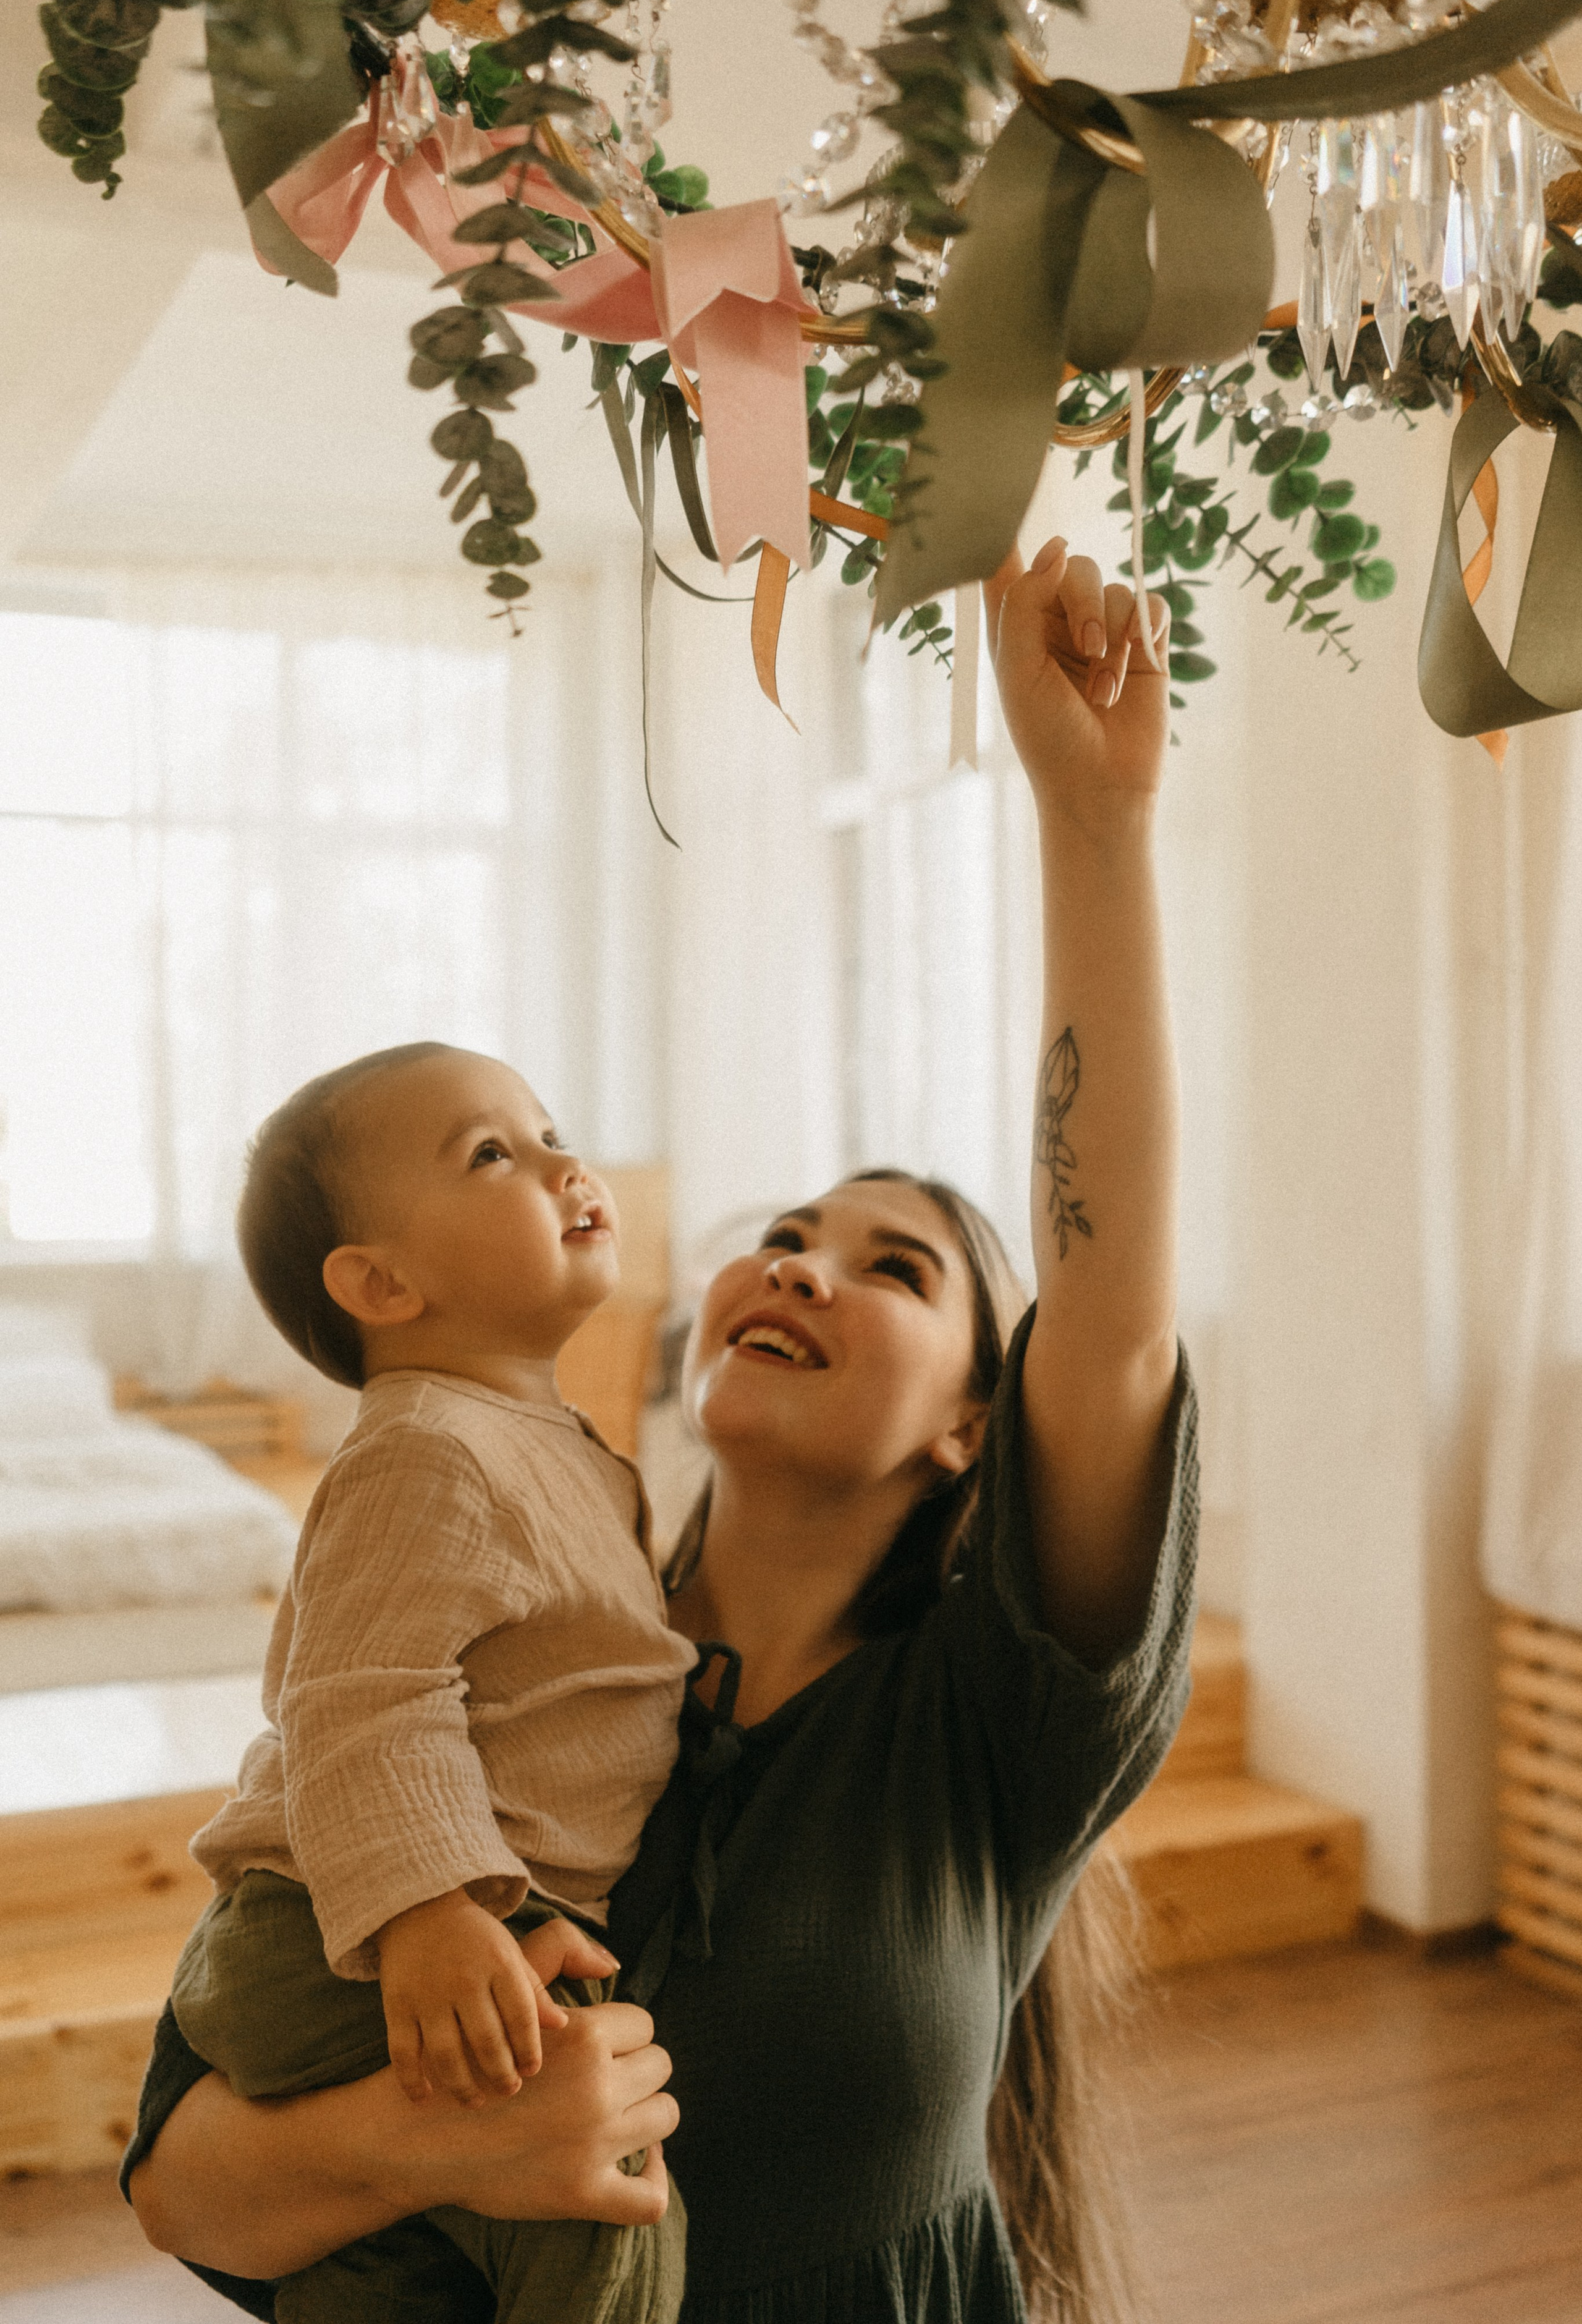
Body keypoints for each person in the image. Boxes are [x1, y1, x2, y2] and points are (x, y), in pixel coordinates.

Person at [127, 537, 1197, 2324]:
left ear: (973, 1432)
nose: (802, 1264)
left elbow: (1113, 1304)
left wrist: (1093, 825)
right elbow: (178, 2188)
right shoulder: (529, 1658)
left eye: (895, 1269)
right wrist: (439, 2148)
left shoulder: (986, 1729)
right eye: (786, 1234)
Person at [167, 1041, 696, 2323]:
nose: (566, 1163)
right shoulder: (426, 1452)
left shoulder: (543, 1443)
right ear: (381, 1284)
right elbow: (361, 1694)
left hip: (436, 1922)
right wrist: (428, 1912)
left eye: (550, 1126)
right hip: (358, 1933)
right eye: (492, 1153)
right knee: (608, 2209)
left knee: (402, 2268)